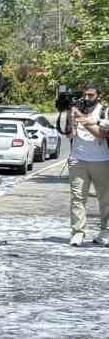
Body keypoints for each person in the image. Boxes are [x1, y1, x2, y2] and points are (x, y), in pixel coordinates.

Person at [65, 82, 109, 247]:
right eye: (85, 94)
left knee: (105, 199)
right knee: (77, 198)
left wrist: (81, 119)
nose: (87, 98)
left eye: (91, 95)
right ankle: (77, 233)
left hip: (102, 160)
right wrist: (72, 120)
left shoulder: (105, 111)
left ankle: (105, 232)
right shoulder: (76, 109)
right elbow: (71, 135)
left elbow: (100, 134)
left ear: (98, 95)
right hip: (78, 160)